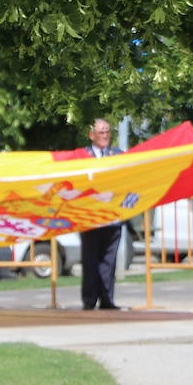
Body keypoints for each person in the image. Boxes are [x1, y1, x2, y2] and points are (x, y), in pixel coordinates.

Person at [79, 118, 124, 310]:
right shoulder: (83, 157)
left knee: (109, 261)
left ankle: (107, 299)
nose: (105, 135)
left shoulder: (118, 155)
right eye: (101, 132)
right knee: (90, 260)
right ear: (91, 135)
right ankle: (89, 300)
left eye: (107, 131)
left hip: (113, 217)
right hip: (90, 217)